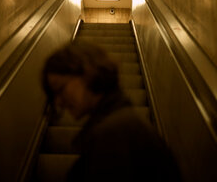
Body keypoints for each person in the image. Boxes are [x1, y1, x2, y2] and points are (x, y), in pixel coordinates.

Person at [42, 42, 182, 182]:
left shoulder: (114, 133)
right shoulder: (121, 123)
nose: (58, 102)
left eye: (60, 89)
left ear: (88, 73)